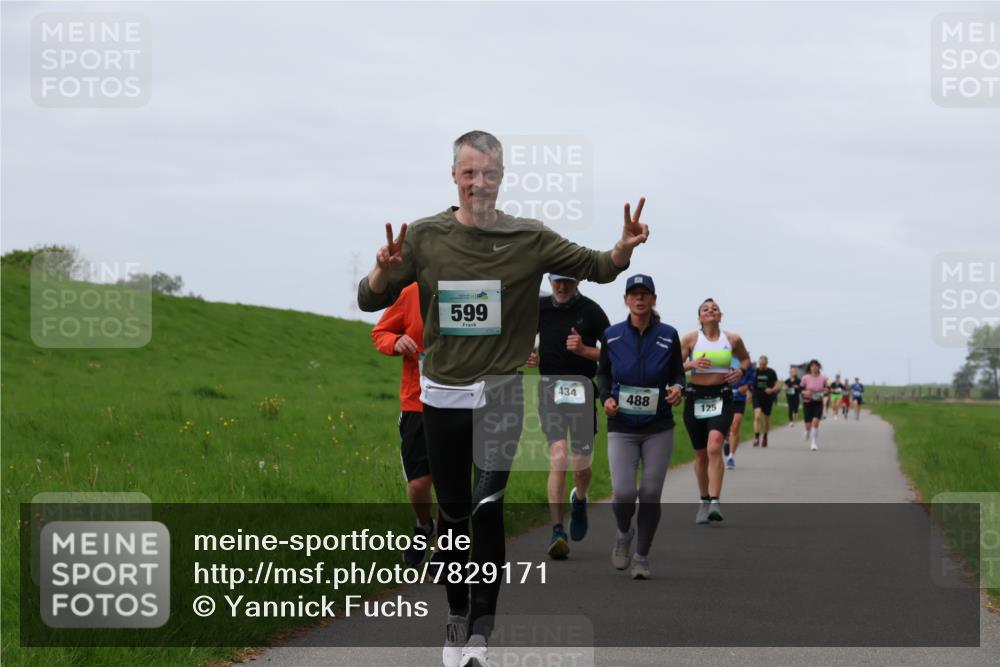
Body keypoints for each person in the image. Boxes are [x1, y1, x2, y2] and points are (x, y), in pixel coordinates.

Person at [357, 130, 647, 667]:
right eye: (469, 174)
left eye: (488, 174)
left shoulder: (529, 237)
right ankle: (454, 614)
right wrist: (382, 266)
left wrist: (622, 248)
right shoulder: (423, 236)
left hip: (501, 392)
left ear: (502, 176)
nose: (479, 184)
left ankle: (479, 635)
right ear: (454, 176)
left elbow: (598, 266)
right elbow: (368, 297)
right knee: (454, 510)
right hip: (440, 393)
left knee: (489, 509)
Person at [596, 274, 684, 579]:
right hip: (621, 424)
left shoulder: (668, 335)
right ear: (625, 300)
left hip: (658, 425)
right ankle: (623, 533)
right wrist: (605, 397)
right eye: (633, 294)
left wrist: (677, 389)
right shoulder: (612, 335)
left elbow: (678, 374)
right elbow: (603, 374)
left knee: (649, 492)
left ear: (654, 299)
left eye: (645, 293)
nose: (639, 298)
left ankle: (642, 556)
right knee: (622, 492)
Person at [525, 274, 610, 560]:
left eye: (568, 282)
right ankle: (557, 529)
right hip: (550, 390)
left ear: (577, 283)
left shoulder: (591, 311)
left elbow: (612, 354)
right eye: (557, 281)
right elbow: (521, 337)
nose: (562, 287)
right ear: (549, 280)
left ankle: (580, 499)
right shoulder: (539, 307)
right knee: (559, 456)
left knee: (581, 467)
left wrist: (585, 350)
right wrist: (527, 354)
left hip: (583, 391)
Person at [371, 282, 437, 566]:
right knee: (418, 485)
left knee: (450, 482)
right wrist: (396, 342)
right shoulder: (411, 293)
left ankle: (448, 546)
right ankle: (424, 526)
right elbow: (381, 332)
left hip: (462, 401)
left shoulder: (469, 287)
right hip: (417, 403)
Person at [680, 298, 750, 524]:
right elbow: (673, 367)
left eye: (715, 308)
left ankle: (715, 501)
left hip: (722, 396)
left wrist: (740, 372)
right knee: (700, 454)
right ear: (700, 317)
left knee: (715, 445)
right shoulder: (691, 339)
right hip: (695, 397)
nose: (710, 311)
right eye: (705, 309)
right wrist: (690, 365)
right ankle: (703, 500)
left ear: (721, 315)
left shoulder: (732, 339)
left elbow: (746, 360)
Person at [725, 359, 753, 468]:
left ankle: (730, 457)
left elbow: (751, 379)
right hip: (725, 397)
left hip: (739, 399)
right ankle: (727, 440)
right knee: (726, 428)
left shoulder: (745, 362)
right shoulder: (723, 356)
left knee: (735, 426)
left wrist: (747, 387)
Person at [800, 359, 828, 450]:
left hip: (818, 403)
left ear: (819, 367)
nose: (814, 367)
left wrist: (825, 391)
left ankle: (814, 443)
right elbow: (800, 390)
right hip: (807, 402)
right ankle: (807, 431)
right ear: (810, 367)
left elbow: (827, 389)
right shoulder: (805, 377)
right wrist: (805, 392)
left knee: (815, 422)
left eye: (816, 365)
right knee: (808, 425)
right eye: (812, 366)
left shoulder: (823, 378)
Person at [751, 355, 779, 447]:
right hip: (757, 396)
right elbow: (750, 383)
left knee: (767, 419)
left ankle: (765, 437)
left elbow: (777, 385)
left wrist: (772, 390)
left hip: (768, 397)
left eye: (763, 364)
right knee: (757, 416)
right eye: (760, 364)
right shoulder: (755, 371)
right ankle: (756, 437)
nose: (762, 365)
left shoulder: (771, 372)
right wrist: (749, 393)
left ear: (767, 363)